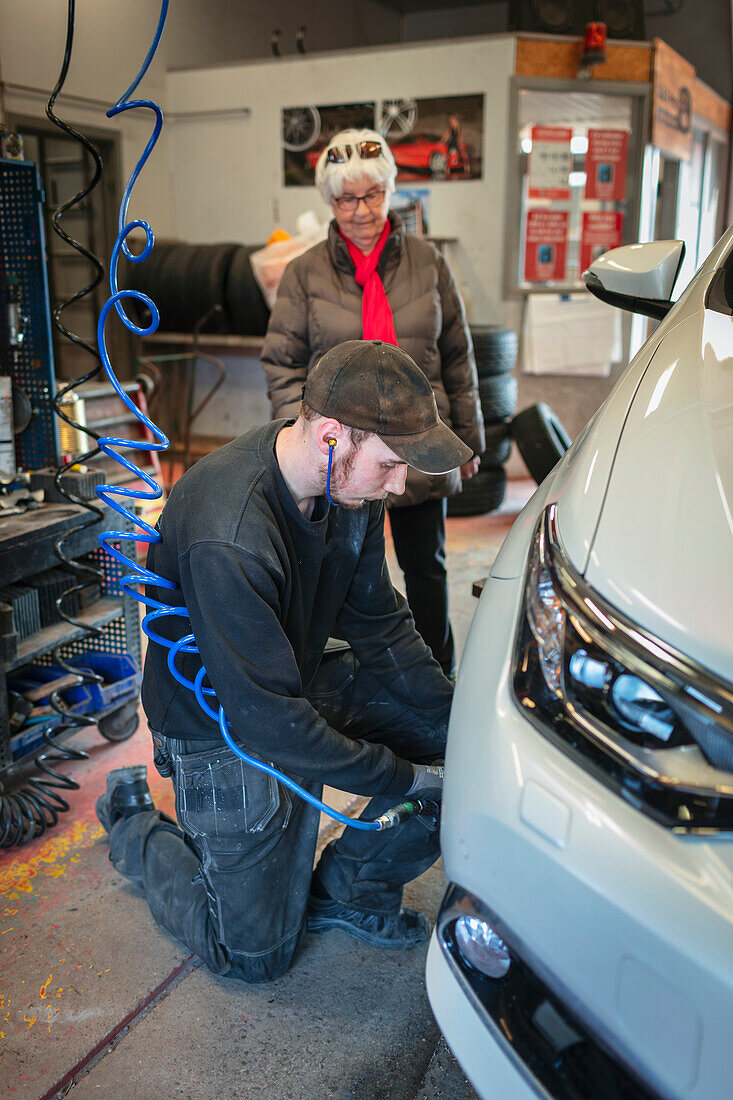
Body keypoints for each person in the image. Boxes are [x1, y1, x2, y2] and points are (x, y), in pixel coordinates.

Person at [96, 339, 473, 985]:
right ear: (331, 435)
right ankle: (132, 824)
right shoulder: (231, 529)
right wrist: (405, 779)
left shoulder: (346, 480)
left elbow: (377, 622)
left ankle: (351, 888)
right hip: (218, 718)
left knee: (473, 754)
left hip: (295, 675)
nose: (399, 482)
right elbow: (267, 722)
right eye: (389, 463)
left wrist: (461, 727)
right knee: (253, 958)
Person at [261, 128, 484, 680]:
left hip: (417, 443)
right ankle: (342, 683)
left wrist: (469, 440)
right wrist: (308, 440)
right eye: (345, 199)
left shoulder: (430, 264)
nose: (361, 211)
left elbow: (458, 356)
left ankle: (436, 680)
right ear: (328, 201)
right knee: (337, 572)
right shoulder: (303, 274)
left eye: (373, 195)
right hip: (342, 453)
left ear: (390, 190)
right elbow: (282, 364)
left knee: (426, 570)